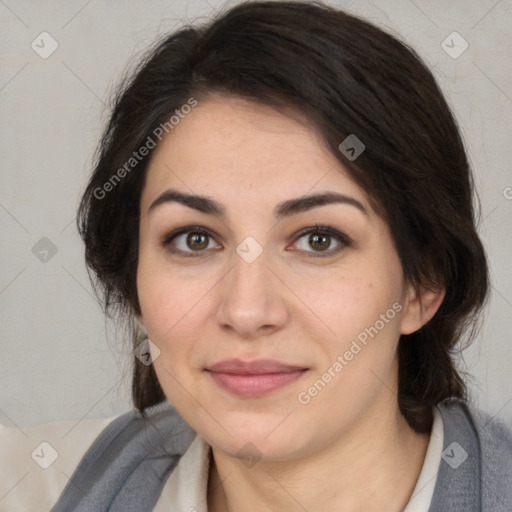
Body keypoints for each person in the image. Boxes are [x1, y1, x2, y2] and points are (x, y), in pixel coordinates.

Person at [51, 1, 512, 511]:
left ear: (423, 282)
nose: (247, 311)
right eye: (194, 239)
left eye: (319, 239)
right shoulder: (42, 483)